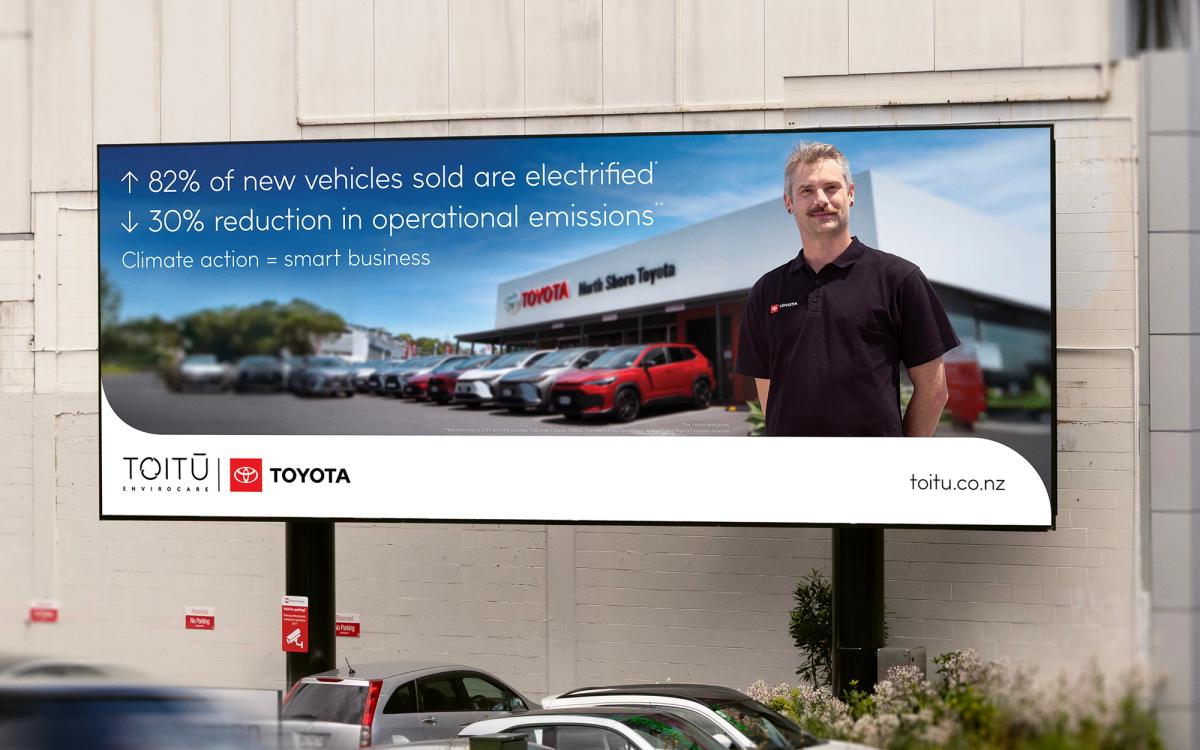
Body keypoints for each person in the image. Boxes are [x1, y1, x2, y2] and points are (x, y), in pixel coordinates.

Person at [735, 142, 960, 437]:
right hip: (792, 475)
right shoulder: (765, 291)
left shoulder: (900, 279)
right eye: (806, 191)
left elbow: (934, 390)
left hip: (874, 476)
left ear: (850, 194)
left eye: (831, 187)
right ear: (789, 202)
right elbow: (768, 392)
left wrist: (904, 463)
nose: (821, 200)